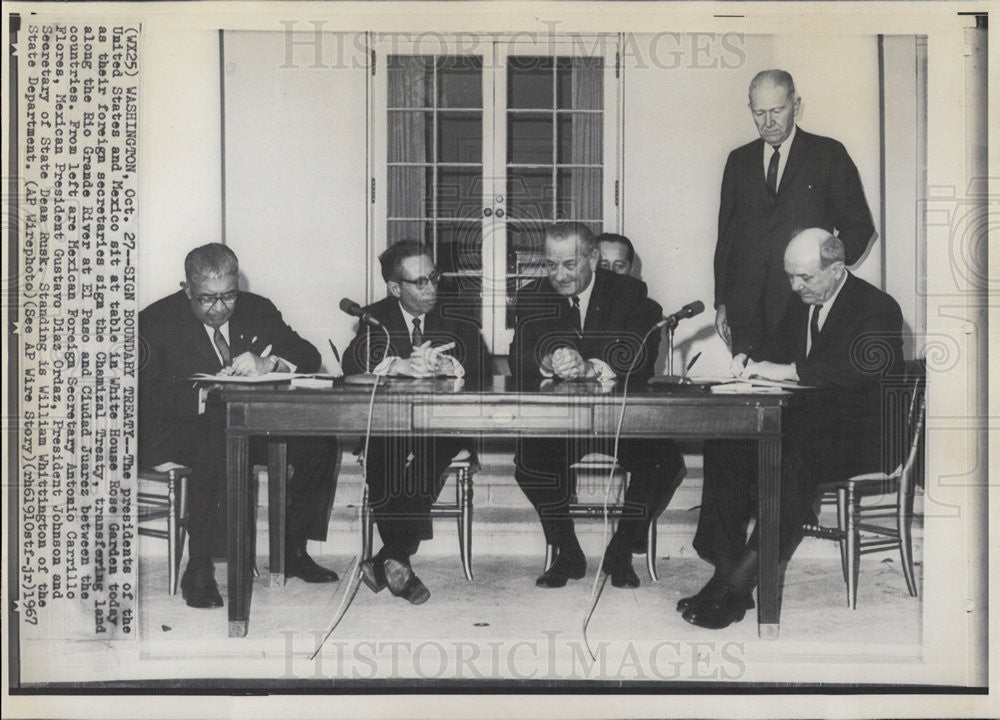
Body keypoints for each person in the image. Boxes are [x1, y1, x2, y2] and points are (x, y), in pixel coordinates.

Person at [682, 228, 903, 629]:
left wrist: (786, 370)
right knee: (724, 443)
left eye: (805, 277)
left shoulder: (878, 307)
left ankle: (736, 588)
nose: (795, 286)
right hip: (810, 426)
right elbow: (777, 348)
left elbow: (858, 370)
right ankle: (726, 572)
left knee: (795, 458)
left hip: (863, 434)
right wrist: (750, 359)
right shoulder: (802, 301)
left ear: (836, 269)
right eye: (790, 276)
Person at [139, 243, 340, 609]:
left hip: (247, 425)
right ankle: (200, 566)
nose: (219, 308)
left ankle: (292, 550)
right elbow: (143, 395)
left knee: (320, 441)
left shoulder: (258, 309)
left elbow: (309, 355)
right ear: (186, 288)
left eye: (228, 296)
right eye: (206, 299)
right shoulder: (155, 320)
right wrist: (207, 394)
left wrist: (272, 364)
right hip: (181, 431)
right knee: (216, 441)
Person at [509, 222, 685, 589]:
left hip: (620, 421)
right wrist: (547, 360)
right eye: (551, 265)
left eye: (569, 265)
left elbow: (639, 353)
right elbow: (518, 356)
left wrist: (593, 366)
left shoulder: (629, 292)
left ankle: (620, 550)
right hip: (561, 423)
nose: (558, 275)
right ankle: (567, 551)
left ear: (592, 259)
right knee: (529, 462)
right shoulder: (532, 296)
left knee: (665, 464)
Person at [343, 240, 489, 605]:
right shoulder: (376, 316)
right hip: (390, 426)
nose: (431, 288)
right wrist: (399, 364)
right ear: (395, 288)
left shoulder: (458, 315)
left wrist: (449, 367)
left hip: (444, 428)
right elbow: (353, 361)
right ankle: (395, 561)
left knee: (429, 449)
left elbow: (483, 369)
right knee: (382, 450)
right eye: (419, 282)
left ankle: (389, 557)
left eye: (434, 277)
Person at [714, 69, 876, 356]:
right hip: (745, 311)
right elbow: (726, 237)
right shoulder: (737, 161)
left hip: (803, 305)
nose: (768, 122)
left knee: (800, 393)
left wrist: (829, 274)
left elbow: (859, 226)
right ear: (749, 109)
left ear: (796, 106)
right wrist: (722, 302)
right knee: (749, 393)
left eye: (777, 110)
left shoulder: (828, 154)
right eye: (759, 112)